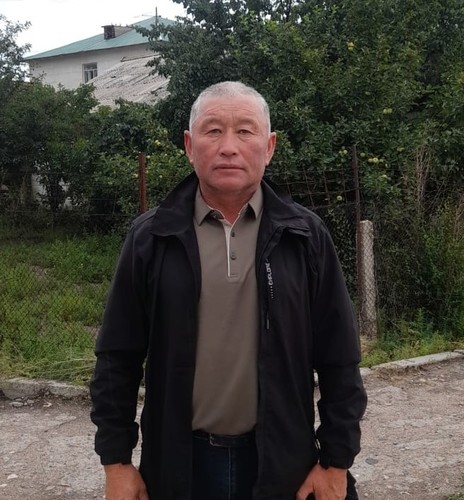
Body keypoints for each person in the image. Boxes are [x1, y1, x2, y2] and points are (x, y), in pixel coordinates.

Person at [90, 81, 367, 500]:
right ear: (189, 145)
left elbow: (339, 357)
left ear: (269, 147)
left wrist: (335, 461)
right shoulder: (152, 238)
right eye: (214, 130)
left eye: (245, 131)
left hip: (283, 465)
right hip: (180, 467)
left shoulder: (304, 237)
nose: (229, 147)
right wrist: (116, 463)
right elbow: (117, 357)